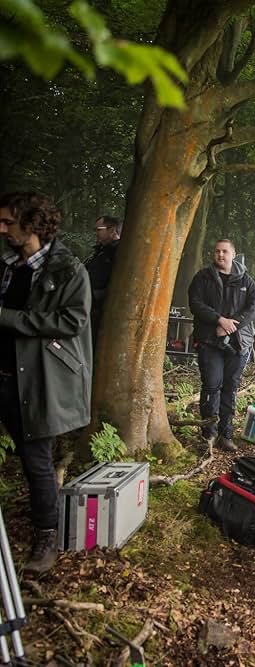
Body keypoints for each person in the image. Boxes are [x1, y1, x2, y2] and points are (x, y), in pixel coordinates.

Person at [0, 192, 92, 574]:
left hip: (36, 383)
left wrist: (9, 318)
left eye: (7, 221)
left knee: (36, 460)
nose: (1, 228)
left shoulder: (68, 270)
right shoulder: (5, 265)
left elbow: (73, 321)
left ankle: (45, 536)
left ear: (32, 223)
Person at [188, 239, 255, 453]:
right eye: (217, 251)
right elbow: (195, 303)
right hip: (209, 341)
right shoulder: (202, 278)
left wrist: (230, 326)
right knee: (211, 385)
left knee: (230, 388)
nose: (220, 255)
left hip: (238, 343)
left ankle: (226, 435)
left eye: (225, 251)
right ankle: (208, 434)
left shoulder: (246, 280)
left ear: (233, 254)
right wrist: (219, 320)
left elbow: (252, 308)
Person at [83, 215, 121, 342]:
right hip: (88, 305)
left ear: (112, 229)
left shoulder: (119, 251)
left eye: (99, 229)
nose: (96, 233)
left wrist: (96, 295)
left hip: (101, 311)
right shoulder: (100, 251)